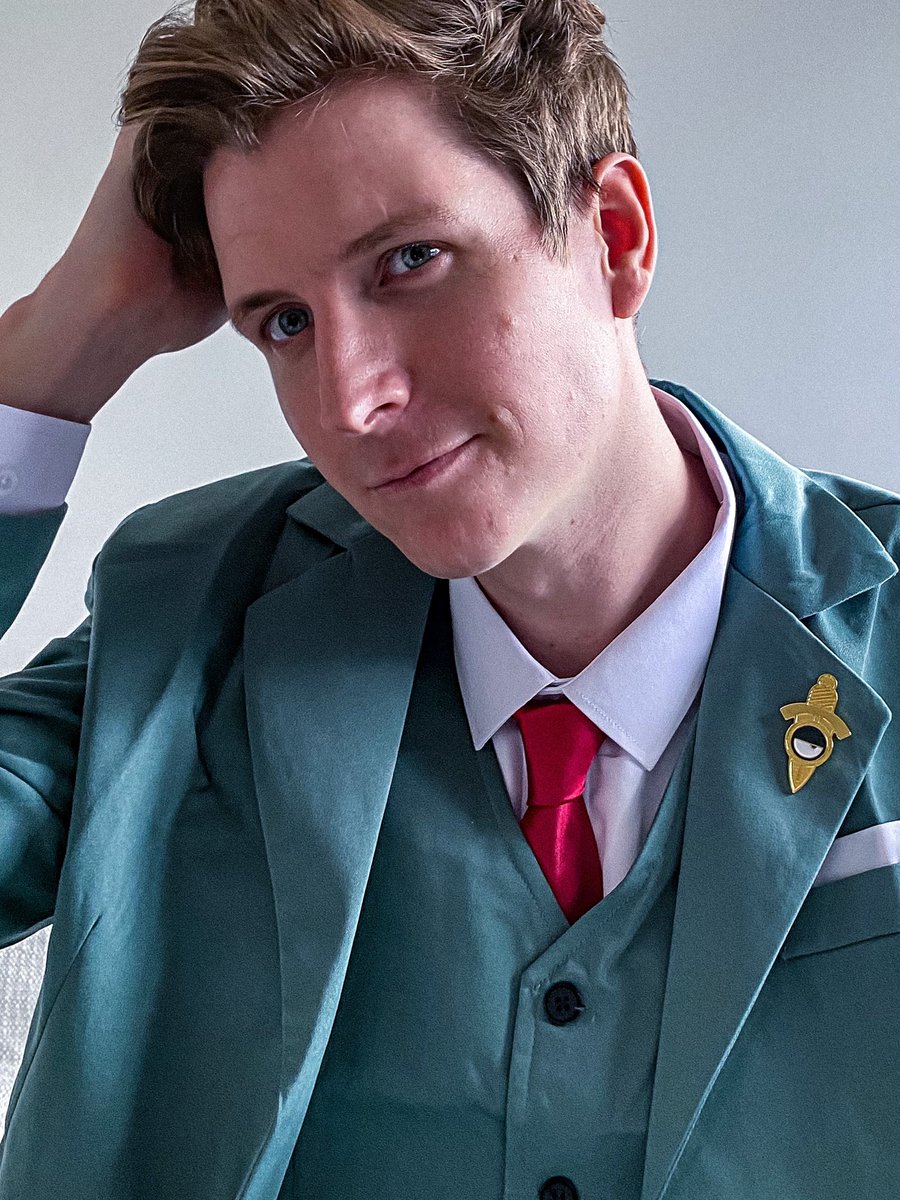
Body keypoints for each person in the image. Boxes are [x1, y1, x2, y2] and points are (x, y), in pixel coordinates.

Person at [0, 1, 898, 1197]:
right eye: (286, 321)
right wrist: (63, 336)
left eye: (409, 261)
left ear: (616, 235)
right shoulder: (190, 619)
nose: (351, 400)